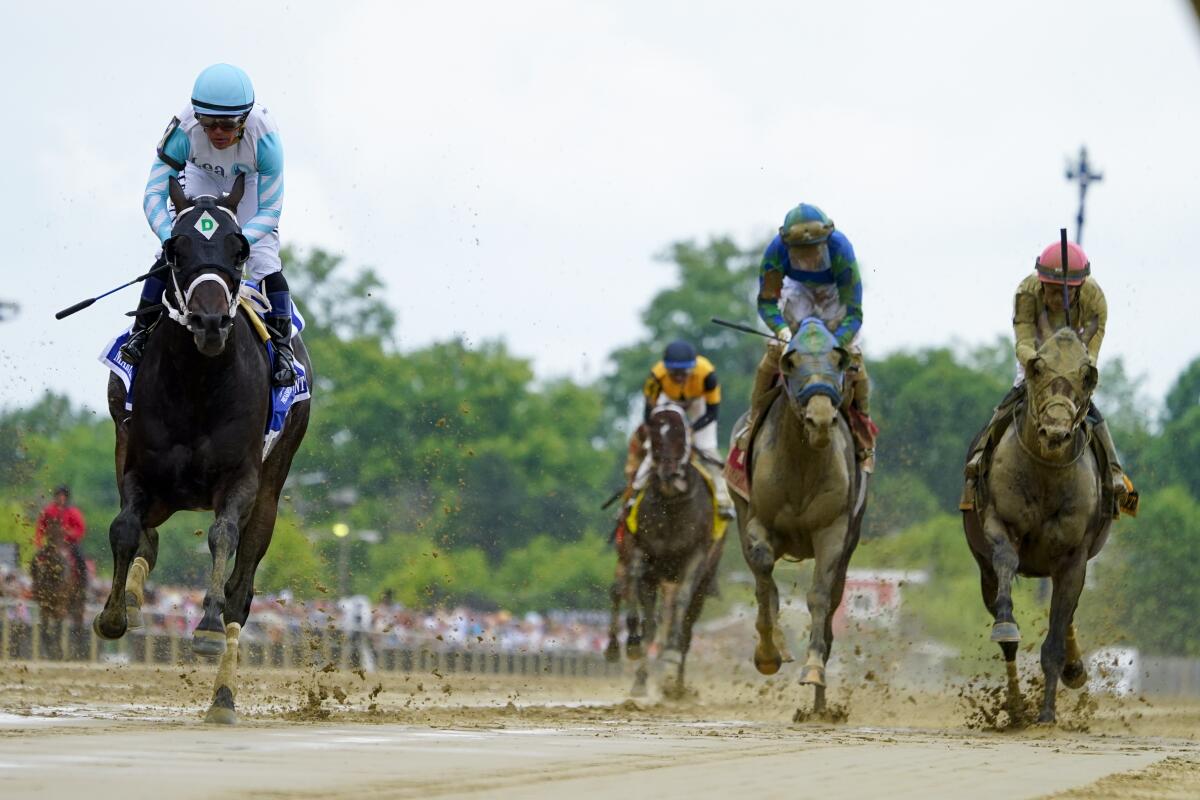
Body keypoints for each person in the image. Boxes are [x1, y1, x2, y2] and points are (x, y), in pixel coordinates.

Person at [120, 63, 296, 387]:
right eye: (209, 123)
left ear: (243, 119)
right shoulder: (183, 130)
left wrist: (237, 238)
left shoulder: (267, 140)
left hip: (251, 182)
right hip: (201, 176)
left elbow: (270, 211)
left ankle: (283, 350)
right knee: (183, 250)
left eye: (227, 125)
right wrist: (169, 238)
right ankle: (140, 334)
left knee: (265, 261)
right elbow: (153, 195)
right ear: (197, 117)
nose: (217, 132)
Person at [961, 240, 1128, 506]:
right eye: (1049, 291)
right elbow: (1023, 343)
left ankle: (1114, 473)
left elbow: (1092, 352)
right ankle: (982, 453)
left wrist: (1080, 371)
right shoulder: (1026, 292)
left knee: (1088, 407)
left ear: (1078, 289)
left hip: (1075, 357)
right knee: (1016, 394)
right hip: (1037, 355)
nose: (1053, 299)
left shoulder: (1095, 298)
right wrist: (1039, 363)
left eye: (1061, 293)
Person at [748, 203, 876, 470]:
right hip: (795, 292)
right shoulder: (776, 250)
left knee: (853, 357)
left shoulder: (841, 249)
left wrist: (835, 344)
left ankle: (863, 430)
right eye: (800, 253)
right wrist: (783, 332)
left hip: (834, 295)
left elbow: (853, 312)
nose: (808, 258)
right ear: (787, 246)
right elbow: (768, 302)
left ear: (826, 241)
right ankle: (753, 422)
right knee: (774, 351)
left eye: (814, 250)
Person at [630, 340, 734, 518]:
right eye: (674, 373)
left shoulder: (708, 375)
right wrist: (655, 434)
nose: (679, 377)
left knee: (708, 448)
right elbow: (648, 411)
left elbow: (712, 413)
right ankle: (635, 493)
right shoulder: (656, 376)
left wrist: (690, 430)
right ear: (666, 369)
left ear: (692, 368)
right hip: (668, 402)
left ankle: (724, 500)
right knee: (652, 449)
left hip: (698, 404)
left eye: (683, 372)